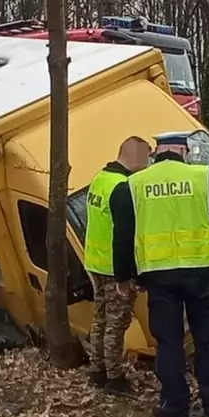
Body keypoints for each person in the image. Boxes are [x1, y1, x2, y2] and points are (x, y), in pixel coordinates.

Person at [111, 131, 209, 417]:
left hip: (159, 276)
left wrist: (123, 275)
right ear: (183, 151)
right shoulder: (199, 177)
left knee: (168, 341)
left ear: (158, 151)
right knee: (208, 339)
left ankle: (174, 406)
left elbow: (122, 235)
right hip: (201, 272)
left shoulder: (134, 184)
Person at [84, 136, 152, 396]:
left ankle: (98, 370)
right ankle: (114, 377)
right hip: (114, 268)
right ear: (136, 157)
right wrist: (129, 274)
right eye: (146, 158)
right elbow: (124, 236)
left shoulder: (100, 179)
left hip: (95, 262)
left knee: (100, 318)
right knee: (116, 322)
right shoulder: (123, 188)